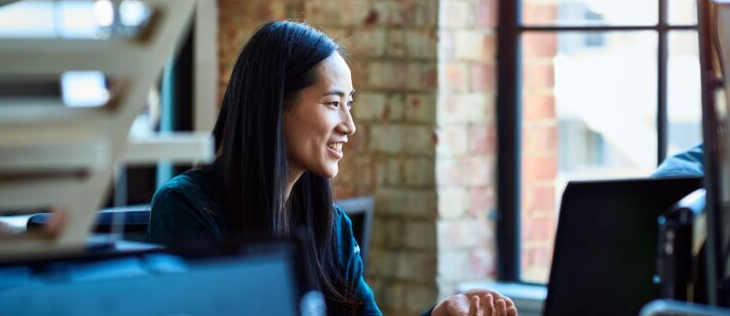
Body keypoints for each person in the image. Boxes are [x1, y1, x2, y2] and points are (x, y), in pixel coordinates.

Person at [148, 21, 516, 316]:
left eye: (349, 103)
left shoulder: (331, 226)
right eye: (332, 102)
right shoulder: (187, 209)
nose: (349, 125)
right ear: (275, 106)